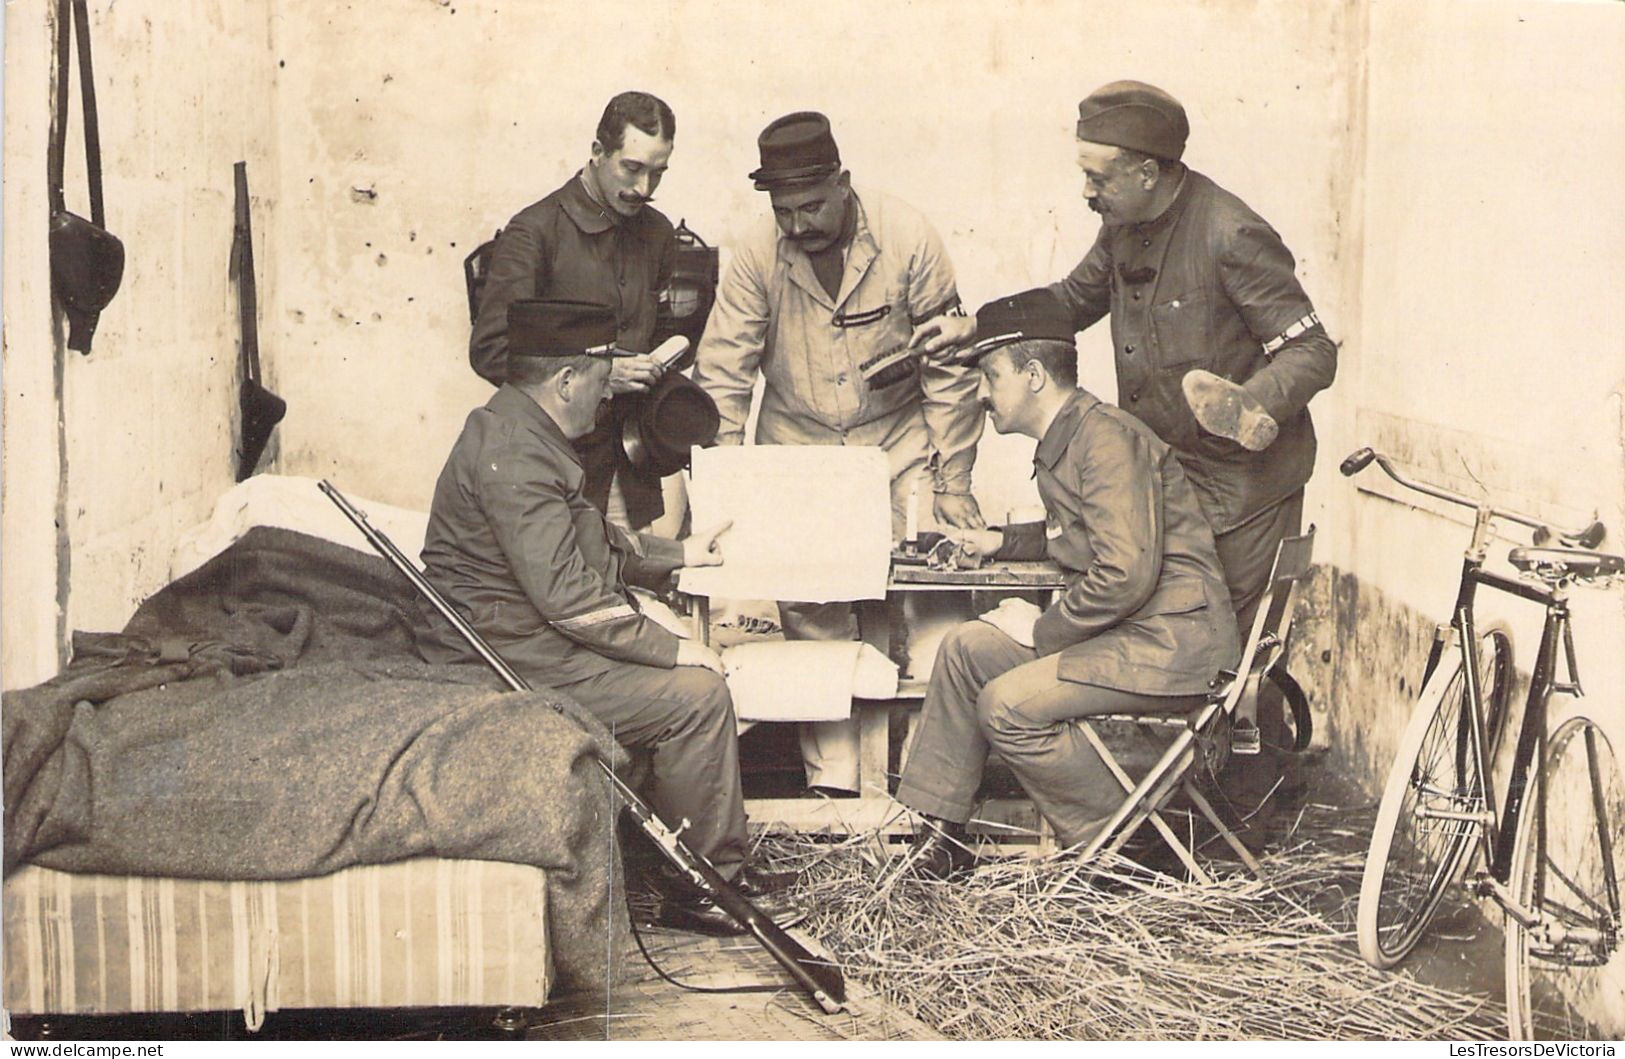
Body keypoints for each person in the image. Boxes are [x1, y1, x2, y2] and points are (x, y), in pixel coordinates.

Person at [915, 80, 1334, 775]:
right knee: (1141, 630)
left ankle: (1217, 811)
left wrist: (1251, 407)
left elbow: (1311, 347)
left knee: (1205, 656)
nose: (1086, 191)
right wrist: (978, 327)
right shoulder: (1122, 224)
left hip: (1240, 487)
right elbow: (1071, 300)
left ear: (1147, 171)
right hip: (1167, 470)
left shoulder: (1229, 233)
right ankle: (1146, 798)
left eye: (1096, 176)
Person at [419, 298, 793, 934]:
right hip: (509, 654)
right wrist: (675, 651)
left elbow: (590, 538)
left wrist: (682, 554)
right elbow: (567, 596)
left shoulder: (519, 433)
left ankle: (708, 862)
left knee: (684, 673)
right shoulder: (516, 454)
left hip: (525, 636)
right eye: (604, 376)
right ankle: (702, 888)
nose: (607, 392)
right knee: (697, 695)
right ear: (567, 380)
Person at [896, 289, 1240, 880]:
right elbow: (1081, 531)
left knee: (1006, 706)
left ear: (1033, 376)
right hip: (1136, 634)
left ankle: (1129, 848)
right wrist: (1001, 543)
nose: (980, 394)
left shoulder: (1104, 441)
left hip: (1171, 645)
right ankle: (940, 834)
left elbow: (1124, 573)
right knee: (966, 650)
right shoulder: (1074, 435)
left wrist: (1041, 628)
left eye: (990, 376)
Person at [692, 111, 985, 795]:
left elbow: (948, 369)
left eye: (811, 207)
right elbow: (724, 374)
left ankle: (926, 788)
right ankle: (839, 791)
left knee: (934, 606)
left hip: (898, 439)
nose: (797, 225)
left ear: (843, 182)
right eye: (783, 211)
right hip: (798, 447)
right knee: (814, 614)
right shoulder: (756, 253)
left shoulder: (908, 236)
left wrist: (953, 478)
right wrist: (725, 490)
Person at [469, 91, 680, 531]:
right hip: (549, 471)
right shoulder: (535, 232)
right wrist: (603, 374)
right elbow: (491, 350)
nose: (644, 189)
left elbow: (658, 334)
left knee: (636, 589)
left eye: (657, 174)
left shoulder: (658, 234)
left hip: (634, 469)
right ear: (598, 152)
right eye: (632, 168)